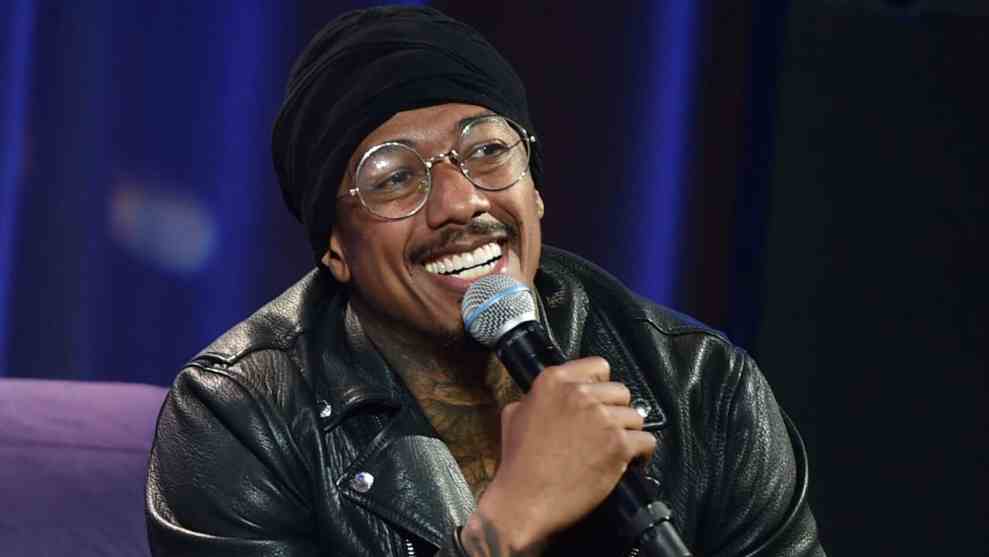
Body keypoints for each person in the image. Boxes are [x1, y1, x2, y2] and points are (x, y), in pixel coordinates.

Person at [145, 6, 825, 556]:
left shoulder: (700, 386)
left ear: (532, 189)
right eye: (395, 178)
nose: (459, 203)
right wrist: (507, 523)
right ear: (336, 249)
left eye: (486, 151)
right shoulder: (238, 417)